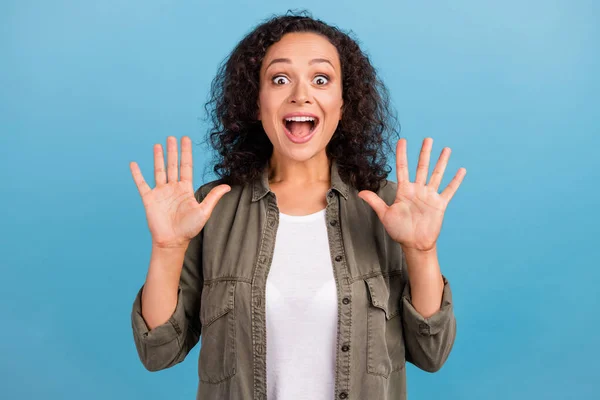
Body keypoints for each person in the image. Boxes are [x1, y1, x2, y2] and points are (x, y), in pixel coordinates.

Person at [129, 10, 466, 400]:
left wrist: (421, 251)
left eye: (321, 79)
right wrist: (167, 249)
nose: (300, 94)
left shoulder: (390, 209)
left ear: (344, 103)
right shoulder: (211, 209)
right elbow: (158, 352)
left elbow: (431, 353)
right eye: (280, 78)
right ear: (256, 102)